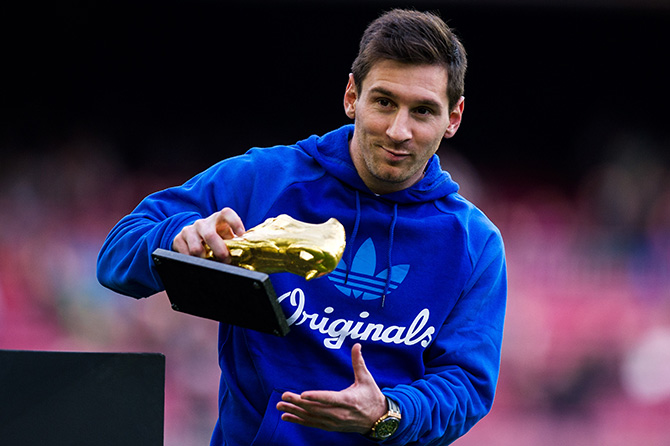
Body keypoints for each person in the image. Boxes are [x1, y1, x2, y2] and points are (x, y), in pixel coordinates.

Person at [97, 8, 507, 446]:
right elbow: (115, 257)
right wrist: (176, 235)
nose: (398, 130)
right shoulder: (264, 180)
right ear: (352, 96)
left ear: (454, 118)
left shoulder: (475, 244)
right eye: (384, 102)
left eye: (423, 111)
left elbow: (467, 386)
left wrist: (389, 412)